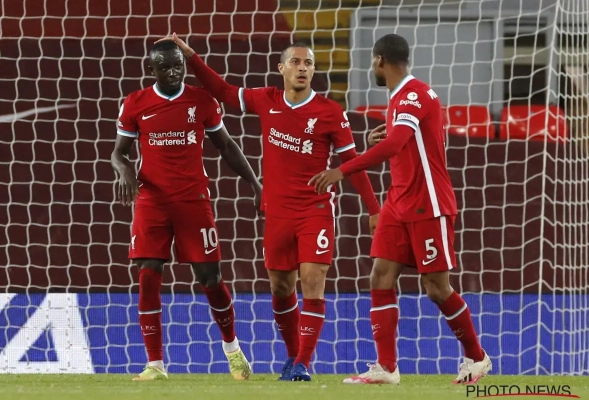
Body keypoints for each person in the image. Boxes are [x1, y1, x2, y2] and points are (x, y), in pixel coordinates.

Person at [156, 33, 381, 381]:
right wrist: (192, 57)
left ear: (313, 71)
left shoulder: (330, 112)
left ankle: (303, 363)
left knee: (313, 283)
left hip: (315, 210)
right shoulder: (267, 100)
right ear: (281, 68)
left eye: (308, 63)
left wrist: (373, 208)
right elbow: (224, 92)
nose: (302, 68)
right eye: (296, 62)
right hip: (277, 212)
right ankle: (293, 356)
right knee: (280, 287)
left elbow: (352, 161)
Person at [309, 34, 492, 385]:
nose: (372, 67)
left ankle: (476, 356)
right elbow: (401, 142)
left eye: (372, 61)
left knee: (436, 287)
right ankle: (387, 367)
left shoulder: (413, 94)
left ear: (380, 60)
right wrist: (378, 140)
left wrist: (342, 170)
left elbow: (395, 144)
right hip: (398, 201)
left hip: (428, 202)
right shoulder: (400, 98)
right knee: (380, 275)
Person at [111, 40, 261, 381]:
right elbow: (118, 152)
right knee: (148, 272)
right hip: (152, 200)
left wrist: (256, 183)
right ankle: (155, 364)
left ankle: (232, 349)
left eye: (178, 64)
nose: (173, 71)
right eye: (165, 66)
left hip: (193, 199)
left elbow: (226, 145)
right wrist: (124, 171)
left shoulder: (202, 100)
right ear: (151, 69)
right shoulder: (135, 103)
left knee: (211, 278)